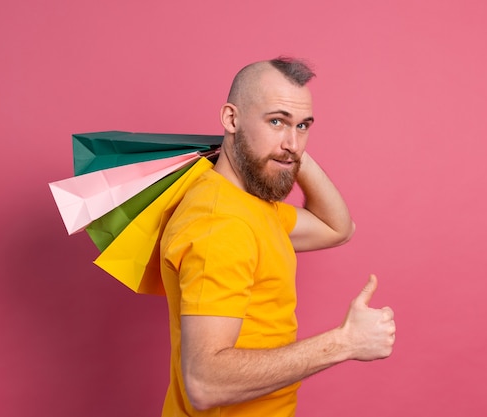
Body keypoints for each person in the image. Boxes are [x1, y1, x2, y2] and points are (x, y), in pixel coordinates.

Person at [160, 57, 396, 416]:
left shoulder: (252, 204)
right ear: (231, 119)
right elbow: (205, 383)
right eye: (276, 121)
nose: (293, 142)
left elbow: (337, 228)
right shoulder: (220, 223)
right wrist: (345, 342)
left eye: (303, 126)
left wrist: (284, 147)